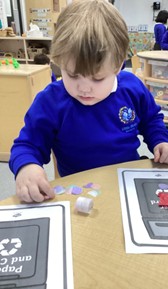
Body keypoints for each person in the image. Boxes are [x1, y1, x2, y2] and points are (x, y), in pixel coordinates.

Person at [9, 0, 168, 203]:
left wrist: (160, 140)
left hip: (127, 183)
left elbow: (151, 119)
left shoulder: (132, 88)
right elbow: (27, 144)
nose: (84, 88)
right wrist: (27, 167)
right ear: (59, 63)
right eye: (72, 75)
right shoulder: (50, 101)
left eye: (97, 78)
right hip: (79, 191)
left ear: (119, 65)